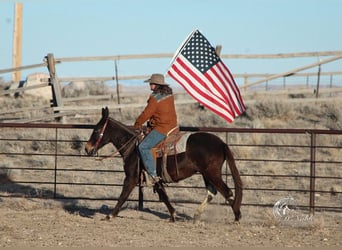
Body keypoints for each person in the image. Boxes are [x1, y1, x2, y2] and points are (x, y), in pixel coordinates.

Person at [134, 73, 178, 183]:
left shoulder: (155, 98)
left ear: (157, 84)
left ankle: (152, 174)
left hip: (162, 128)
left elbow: (146, 113)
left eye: (151, 83)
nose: (150, 85)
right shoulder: (169, 95)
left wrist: (137, 124)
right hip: (172, 126)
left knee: (143, 147)